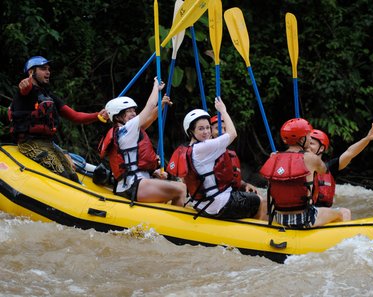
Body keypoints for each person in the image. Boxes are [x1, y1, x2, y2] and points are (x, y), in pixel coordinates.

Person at [9, 56, 109, 182]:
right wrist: (25, 85)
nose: (48, 72)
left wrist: (97, 116)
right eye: (43, 69)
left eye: (48, 69)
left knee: (73, 176)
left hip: (48, 144)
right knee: (63, 176)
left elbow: (75, 116)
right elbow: (24, 89)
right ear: (31, 72)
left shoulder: (49, 96)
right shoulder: (25, 92)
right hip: (29, 144)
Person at [167, 97, 267, 220]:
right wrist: (223, 111)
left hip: (201, 204)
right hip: (218, 205)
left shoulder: (188, 149)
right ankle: (255, 233)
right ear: (191, 132)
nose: (206, 132)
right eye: (201, 128)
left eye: (207, 128)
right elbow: (233, 134)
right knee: (259, 201)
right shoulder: (205, 147)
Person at [99, 78, 185, 206]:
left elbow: (149, 118)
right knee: (180, 189)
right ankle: (179, 223)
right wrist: (156, 87)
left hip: (134, 183)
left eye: (134, 110)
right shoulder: (127, 129)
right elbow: (149, 107)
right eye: (129, 111)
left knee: (177, 186)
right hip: (133, 185)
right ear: (117, 116)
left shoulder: (124, 131)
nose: (134, 113)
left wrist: (160, 105)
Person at [259, 118, 350, 228]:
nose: (310, 138)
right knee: (344, 212)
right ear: (302, 140)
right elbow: (323, 170)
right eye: (308, 136)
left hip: (280, 217)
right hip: (305, 219)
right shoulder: (311, 158)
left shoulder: (273, 157)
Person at [310, 121, 373, 207]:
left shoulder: (330, 167)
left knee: (344, 212)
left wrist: (367, 139)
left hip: (323, 212)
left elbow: (350, 153)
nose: (307, 147)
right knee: (344, 213)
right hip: (306, 214)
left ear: (321, 148)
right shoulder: (299, 165)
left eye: (311, 143)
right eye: (306, 143)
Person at [210, 114, 258, 193]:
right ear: (210, 131)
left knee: (259, 197)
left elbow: (234, 179)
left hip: (231, 193)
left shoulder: (230, 154)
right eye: (217, 128)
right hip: (217, 197)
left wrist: (245, 185)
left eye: (225, 128)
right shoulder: (206, 152)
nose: (222, 131)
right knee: (260, 201)